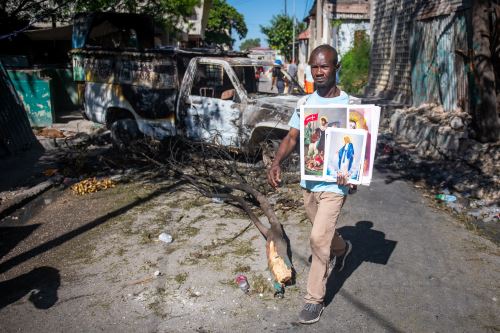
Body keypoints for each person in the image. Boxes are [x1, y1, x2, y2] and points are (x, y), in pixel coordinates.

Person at [267, 45, 353, 325]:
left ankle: (314, 300)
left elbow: (360, 148)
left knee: (317, 240)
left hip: (334, 185)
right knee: (325, 236)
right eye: (314, 66)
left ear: (335, 67)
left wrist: (353, 177)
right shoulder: (305, 104)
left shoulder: (350, 105)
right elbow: (292, 138)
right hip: (309, 183)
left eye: (324, 66)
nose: (318, 72)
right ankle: (342, 249)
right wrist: (276, 162)